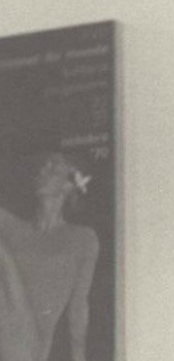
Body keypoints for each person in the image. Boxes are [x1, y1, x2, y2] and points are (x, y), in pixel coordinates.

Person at [0, 152, 99, 361]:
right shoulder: (14, 228)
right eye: (42, 167)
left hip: (29, 345)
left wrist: (79, 357)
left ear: (69, 186)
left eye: (53, 169)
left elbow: (78, 307)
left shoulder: (82, 239)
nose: (43, 172)